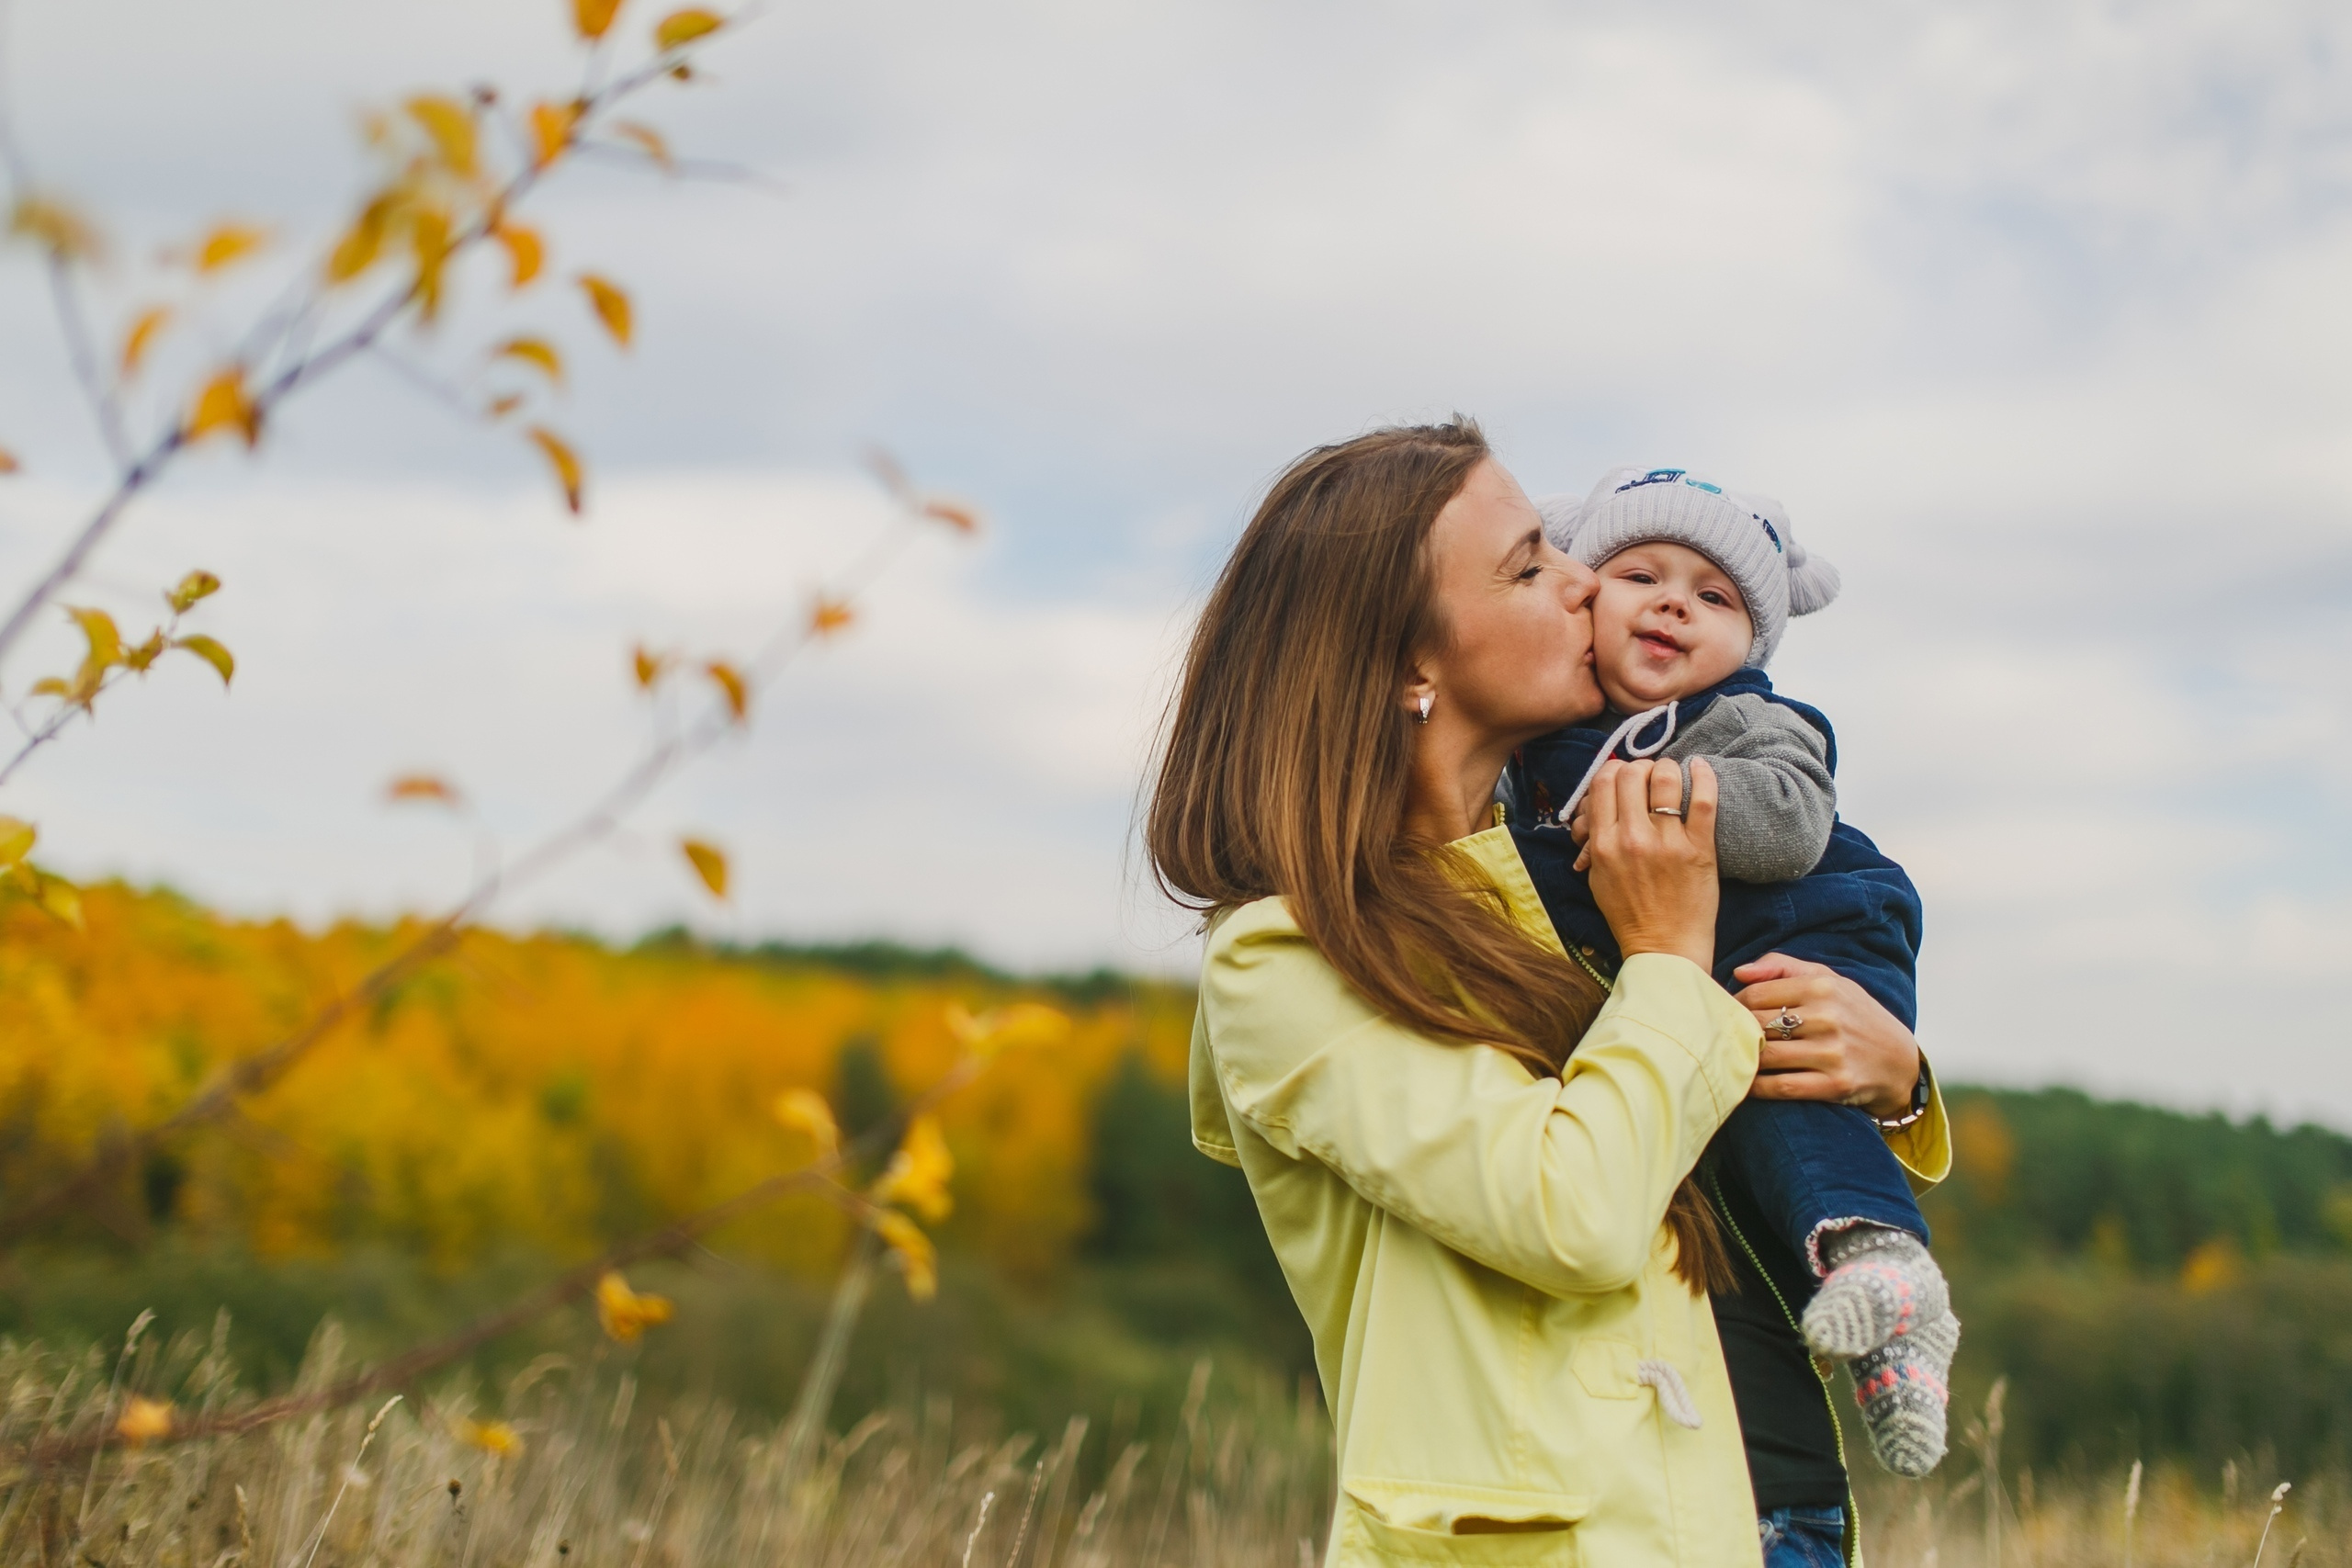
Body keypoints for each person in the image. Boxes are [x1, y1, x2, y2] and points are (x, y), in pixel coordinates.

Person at [1148, 421, 1936, 1567]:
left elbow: (1755, 1028)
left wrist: (1895, 1072)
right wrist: (1669, 955)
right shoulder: (1287, 958)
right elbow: (1567, 1213)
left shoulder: (1577, 863)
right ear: (1409, 662)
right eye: (1529, 565)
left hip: (1762, 1515)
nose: (1589, 583)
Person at [1502, 465, 1959, 1492]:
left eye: (1715, 598)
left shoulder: (1746, 721)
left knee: (1779, 1073)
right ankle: (1887, 1294)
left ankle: (1882, 1266)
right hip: (1633, 1419)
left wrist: (1663, 799)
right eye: (1640, 574)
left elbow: (1795, 821)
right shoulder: (1528, 751)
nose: (1674, 602)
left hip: (1812, 921)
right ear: (1581, 594)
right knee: (1751, 1076)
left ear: (1748, 644)